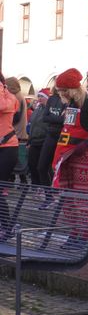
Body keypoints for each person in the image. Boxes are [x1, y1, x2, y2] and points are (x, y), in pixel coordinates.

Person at [51, 68, 88, 249]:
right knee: (66, 197)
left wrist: (86, 144)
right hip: (68, 156)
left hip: (84, 156)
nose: (62, 95)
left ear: (72, 89)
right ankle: (74, 233)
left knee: (80, 198)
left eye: (64, 91)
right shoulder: (72, 103)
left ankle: (84, 236)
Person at [0, 73, 19, 242]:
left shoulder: (8, 97)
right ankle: (5, 225)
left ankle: (7, 226)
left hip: (8, 147)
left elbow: (2, 106)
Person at [39, 86, 65, 187]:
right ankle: (49, 197)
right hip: (50, 134)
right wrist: (58, 118)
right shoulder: (52, 98)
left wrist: (52, 117)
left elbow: (65, 120)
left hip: (63, 136)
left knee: (59, 168)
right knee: (41, 167)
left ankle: (59, 195)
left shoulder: (69, 100)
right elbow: (45, 117)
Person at [26, 88, 50, 185]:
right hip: (34, 141)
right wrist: (29, 139)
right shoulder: (37, 109)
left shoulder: (49, 109)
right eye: (39, 96)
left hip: (44, 141)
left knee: (42, 166)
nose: (39, 98)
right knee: (32, 165)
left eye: (42, 97)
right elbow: (32, 124)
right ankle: (35, 185)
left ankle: (45, 187)